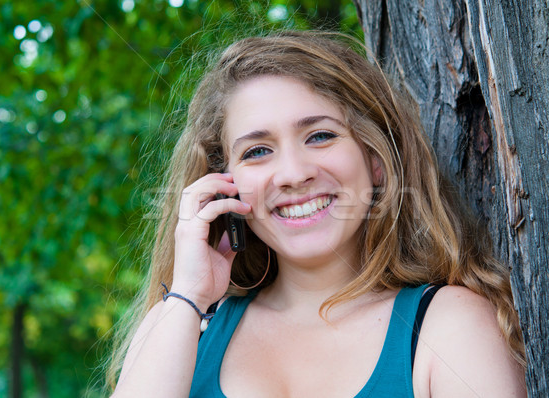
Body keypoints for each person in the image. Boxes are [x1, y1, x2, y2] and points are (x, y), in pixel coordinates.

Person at [108, 31, 526, 397]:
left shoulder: (449, 326)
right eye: (257, 151)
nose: (293, 174)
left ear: (376, 159)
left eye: (320, 135)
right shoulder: (179, 324)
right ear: (225, 183)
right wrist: (189, 295)